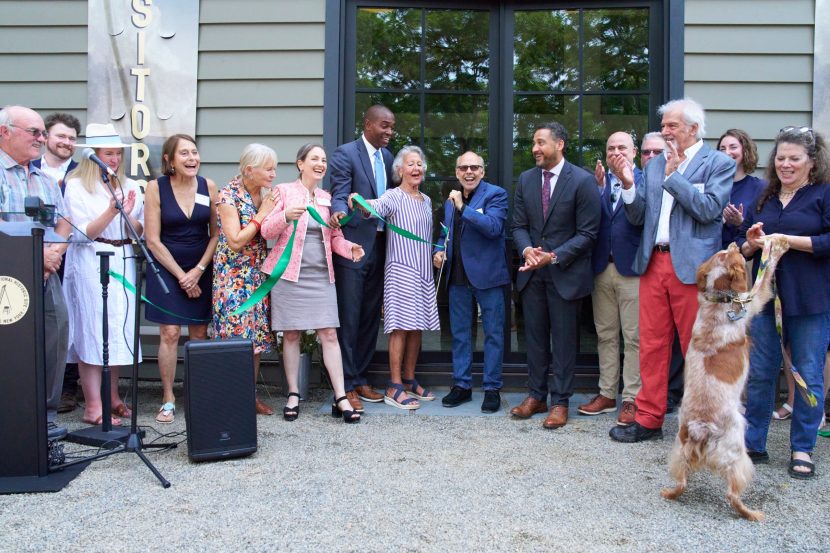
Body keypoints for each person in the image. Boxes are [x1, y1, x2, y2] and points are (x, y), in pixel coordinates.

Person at [609, 98, 734, 443]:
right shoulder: (652, 165)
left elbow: (709, 210)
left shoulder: (717, 163)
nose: (665, 131)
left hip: (692, 269)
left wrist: (675, 177)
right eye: (663, 125)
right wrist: (628, 185)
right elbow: (638, 217)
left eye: (672, 125)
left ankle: (699, 423)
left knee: (697, 348)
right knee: (651, 344)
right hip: (653, 263)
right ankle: (648, 419)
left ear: (693, 129)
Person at [738, 126, 830, 479]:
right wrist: (750, 242)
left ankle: (802, 447)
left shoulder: (822, 194)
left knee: (808, 373)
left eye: (794, 158)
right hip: (766, 300)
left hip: (810, 300)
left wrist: (790, 240)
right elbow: (746, 245)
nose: (786, 165)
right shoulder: (765, 197)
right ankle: (754, 442)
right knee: (761, 373)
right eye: (780, 158)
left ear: (812, 161)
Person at [261, 144, 365, 423]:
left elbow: (335, 238)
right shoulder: (283, 191)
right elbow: (266, 230)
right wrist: (285, 216)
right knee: (292, 335)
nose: (320, 164)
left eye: (323, 160)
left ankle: (341, 396)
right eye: (314, 159)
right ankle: (294, 393)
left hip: (321, 276)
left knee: (329, 334)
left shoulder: (327, 198)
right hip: (290, 275)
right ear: (300, 164)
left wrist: (349, 248)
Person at [510, 122, 601, 429]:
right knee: (535, 340)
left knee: (563, 342)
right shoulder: (525, 180)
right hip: (532, 275)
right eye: (533, 143)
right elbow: (518, 226)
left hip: (566, 273)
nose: (535, 148)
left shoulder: (583, 181)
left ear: (559, 144)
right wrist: (527, 252)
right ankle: (536, 395)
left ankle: (561, 401)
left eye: (541, 143)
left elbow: (588, 233)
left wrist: (553, 256)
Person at [63, 123, 144, 426]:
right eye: (108, 153)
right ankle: (93, 406)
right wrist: (112, 211)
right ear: (92, 156)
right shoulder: (76, 186)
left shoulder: (128, 184)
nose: (114, 159)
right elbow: (80, 234)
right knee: (93, 329)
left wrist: (130, 217)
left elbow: (138, 232)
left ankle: (112, 398)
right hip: (90, 259)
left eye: (117, 154)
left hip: (123, 257)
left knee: (117, 329)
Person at [0, 105, 72, 440]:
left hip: (46, 274)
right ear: (5, 131)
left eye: (43, 133)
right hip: (8, 276)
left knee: (56, 335)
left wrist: (53, 254)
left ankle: (45, 418)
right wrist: (34, 254)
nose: (41, 139)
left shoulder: (45, 178)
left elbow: (64, 222)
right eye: (35, 133)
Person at [350, 145, 439, 410]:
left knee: (417, 326)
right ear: (399, 170)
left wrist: (437, 253)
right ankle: (394, 385)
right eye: (410, 164)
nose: (416, 169)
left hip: (423, 271)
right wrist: (360, 201)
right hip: (400, 270)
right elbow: (374, 208)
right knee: (400, 326)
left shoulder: (426, 200)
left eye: (420, 164)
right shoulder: (394, 195)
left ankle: (410, 379)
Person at [144, 134, 218, 424]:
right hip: (167, 267)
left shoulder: (207, 186)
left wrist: (198, 270)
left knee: (199, 334)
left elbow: (215, 234)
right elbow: (152, 240)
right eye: (184, 154)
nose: (192, 159)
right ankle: (168, 398)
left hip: (200, 266)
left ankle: (196, 394)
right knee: (171, 332)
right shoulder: (155, 188)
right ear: (169, 160)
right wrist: (181, 276)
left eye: (195, 152)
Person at [329, 105, 396, 413]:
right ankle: (344, 384)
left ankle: (361, 376)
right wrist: (338, 212)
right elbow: (340, 192)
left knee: (370, 314)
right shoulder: (346, 154)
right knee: (350, 314)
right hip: (354, 246)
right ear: (368, 124)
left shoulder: (389, 158)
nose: (389, 132)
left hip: (383, 246)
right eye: (384, 126)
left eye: (392, 127)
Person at [433, 151, 509, 413]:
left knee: (494, 335)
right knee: (461, 335)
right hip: (457, 276)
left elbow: (493, 227)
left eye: (475, 167)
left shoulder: (496, 195)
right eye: (464, 167)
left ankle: (491, 389)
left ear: (483, 172)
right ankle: (462, 386)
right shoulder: (450, 201)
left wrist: (463, 208)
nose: (469, 172)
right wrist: (438, 251)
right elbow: (444, 232)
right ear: (456, 172)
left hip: (488, 276)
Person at [579, 132, 643, 426]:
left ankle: (631, 398)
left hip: (633, 270)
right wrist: (598, 187)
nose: (616, 152)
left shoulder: (645, 181)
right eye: (611, 148)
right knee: (605, 335)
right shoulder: (599, 183)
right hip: (602, 268)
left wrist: (627, 180)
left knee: (634, 338)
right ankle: (606, 394)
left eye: (622, 147)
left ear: (635, 152)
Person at [213, 143, 277, 415]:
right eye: (269, 168)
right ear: (250, 170)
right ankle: (229, 399)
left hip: (256, 276)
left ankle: (249, 397)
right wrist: (262, 215)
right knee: (234, 338)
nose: (274, 173)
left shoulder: (265, 194)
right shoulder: (227, 197)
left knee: (255, 341)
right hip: (233, 278)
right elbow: (236, 241)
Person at [32, 112, 81, 414]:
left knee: (64, 323)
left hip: (63, 257)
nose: (66, 142)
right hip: (19, 257)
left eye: (72, 138)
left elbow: (67, 220)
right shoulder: (32, 169)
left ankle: (65, 387)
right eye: (61, 136)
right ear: (47, 137)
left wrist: (53, 255)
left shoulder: (82, 171)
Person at [717, 128, 766, 249]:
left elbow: (765, 230)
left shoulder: (760, 188)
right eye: (722, 149)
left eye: (733, 147)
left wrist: (740, 223)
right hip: (709, 257)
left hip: (742, 258)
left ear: (746, 151)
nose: (727, 152)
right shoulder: (711, 185)